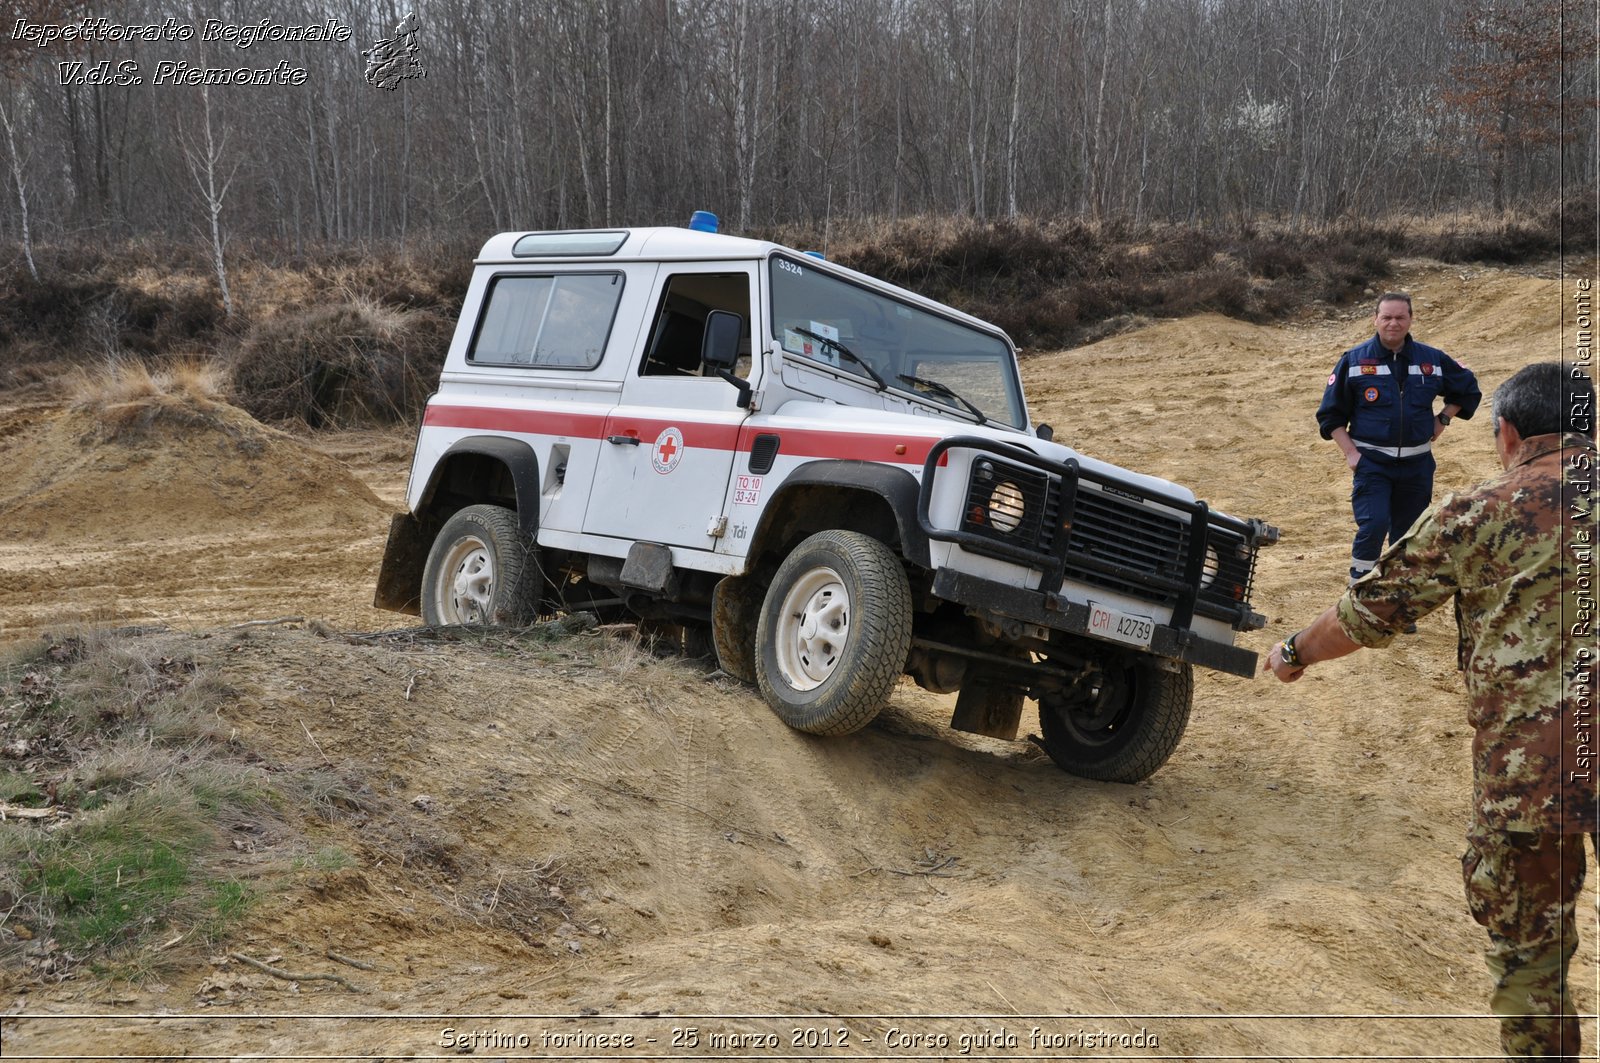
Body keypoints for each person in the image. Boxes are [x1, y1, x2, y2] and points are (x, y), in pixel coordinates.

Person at [1267, 361, 1597, 1059]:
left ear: (1506, 433)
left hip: (1533, 774)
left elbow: (1369, 612)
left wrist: (1294, 650)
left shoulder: (1478, 509)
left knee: (1532, 963)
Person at [1318, 292, 1481, 585]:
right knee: (1374, 525)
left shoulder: (1432, 359)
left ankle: (1398, 604)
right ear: (1375, 320)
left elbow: (1468, 388)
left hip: (1417, 466)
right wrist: (1351, 454)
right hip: (1373, 464)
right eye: (1387, 317)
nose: (1393, 323)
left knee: (1409, 535)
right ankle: (1359, 593)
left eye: (1400, 317)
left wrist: (1443, 418)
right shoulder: (1354, 361)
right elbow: (1330, 416)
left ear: (1410, 319)